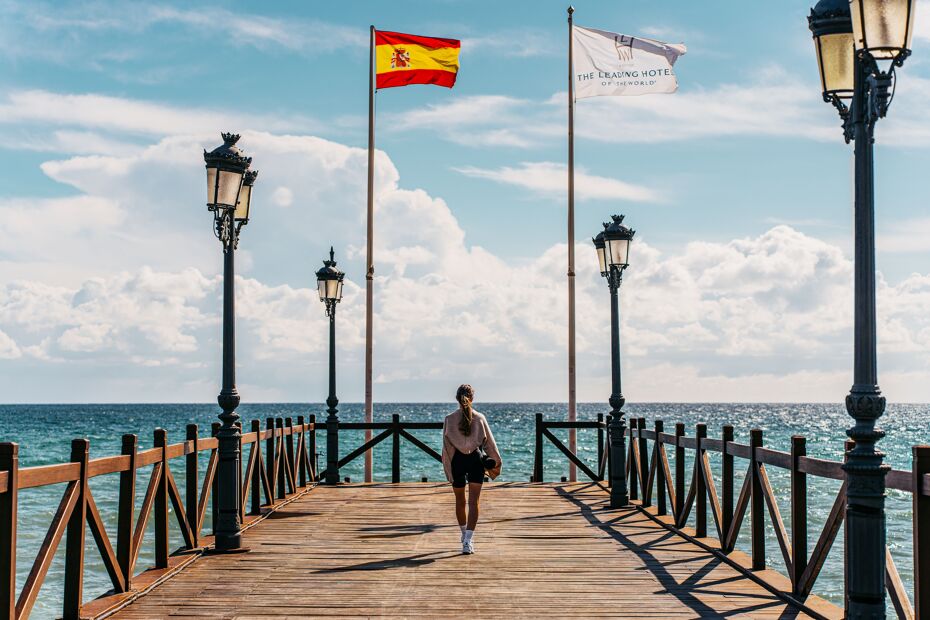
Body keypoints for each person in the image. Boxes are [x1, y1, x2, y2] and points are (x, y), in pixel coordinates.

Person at [441, 384, 502, 555]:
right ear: (472, 399)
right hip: (476, 461)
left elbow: (446, 449)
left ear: (456, 399)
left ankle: (464, 535)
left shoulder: (449, 419)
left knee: (460, 501)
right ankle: (468, 540)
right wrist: (496, 462)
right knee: (473, 502)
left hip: (457, 462)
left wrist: (448, 469)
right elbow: (489, 443)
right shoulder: (480, 418)